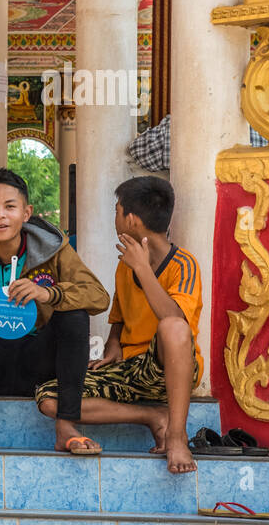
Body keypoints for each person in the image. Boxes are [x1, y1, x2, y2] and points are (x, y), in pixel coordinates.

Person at [0, 168, 109, 454]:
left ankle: (66, 426)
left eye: (10, 207)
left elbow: (99, 297)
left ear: (26, 213)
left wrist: (48, 293)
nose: (0, 215)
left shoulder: (53, 250)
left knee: (74, 315)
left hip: (37, 364)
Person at [35, 177, 202, 475]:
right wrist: (114, 346)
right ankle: (152, 416)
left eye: (117, 210)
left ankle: (176, 434)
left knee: (173, 328)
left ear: (131, 219)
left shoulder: (183, 264)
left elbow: (175, 319)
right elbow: (119, 319)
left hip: (168, 369)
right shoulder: (125, 265)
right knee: (51, 399)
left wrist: (143, 269)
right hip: (130, 370)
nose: (115, 218)